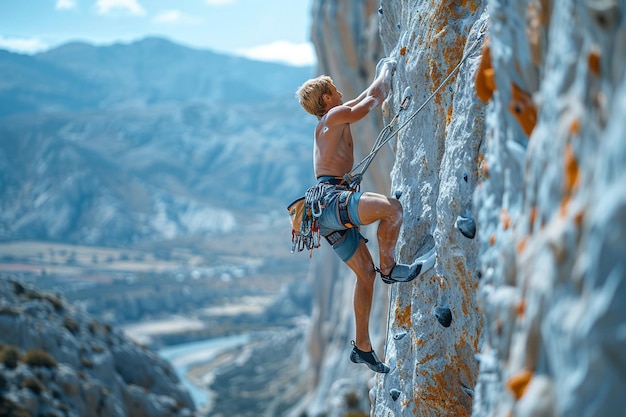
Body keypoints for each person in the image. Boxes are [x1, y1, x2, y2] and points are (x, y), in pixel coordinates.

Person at [295, 59, 436, 373]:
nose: (341, 90)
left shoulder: (329, 121)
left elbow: (361, 99)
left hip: (324, 210)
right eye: (334, 89)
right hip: (333, 199)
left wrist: (377, 76)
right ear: (326, 99)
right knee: (392, 209)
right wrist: (386, 68)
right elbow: (373, 99)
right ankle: (390, 267)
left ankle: (362, 346)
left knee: (364, 275)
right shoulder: (334, 116)